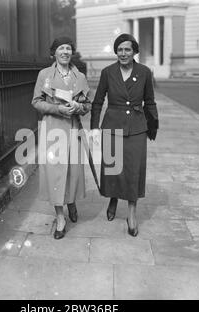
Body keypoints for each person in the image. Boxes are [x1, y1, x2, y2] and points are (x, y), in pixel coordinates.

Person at [91, 34, 159, 237]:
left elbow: (150, 100)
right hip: (112, 125)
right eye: (119, 50)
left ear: (134, 51)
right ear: (116, 52)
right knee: (113, 169)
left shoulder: (145, 72)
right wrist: (95, 128)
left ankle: (131, 213)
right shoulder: (107, 72)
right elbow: (97, 101)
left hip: (137, 127)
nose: (123, 53)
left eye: (127, 49)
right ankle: (113, 198)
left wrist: (153, 124)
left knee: (133, 170)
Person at [32, 37, 92, 240]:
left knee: (73, 171)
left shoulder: (80, 76)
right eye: (61, 48)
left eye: (68, 48)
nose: (65, 51)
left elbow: (88, 104)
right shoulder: (45, 75)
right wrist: (57, 108)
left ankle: (72, 201)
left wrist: (80, 107)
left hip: (73, 129)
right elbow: (36, 102)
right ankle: (60, 217)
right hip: (53, 130)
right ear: (54, 53)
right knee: (55, 173)